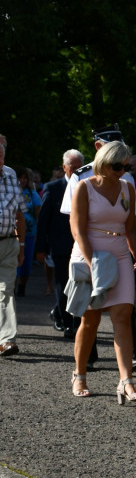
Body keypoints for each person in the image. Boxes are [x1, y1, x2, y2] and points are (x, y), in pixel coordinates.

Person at [61, 124, 136, 372]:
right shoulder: (81, 180)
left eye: (126, 166)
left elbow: (131, 225)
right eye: (117, 166)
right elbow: (76, 226)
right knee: (90, 320)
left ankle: (126, 381)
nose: (122, 171)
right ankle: (80, 372)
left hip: (119, 251)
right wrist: (92, 261)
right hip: (91, 251)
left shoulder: (127, 184)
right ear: (103, 159)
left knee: (122, 316)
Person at [36, 150, 85, 339]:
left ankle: (72, 318)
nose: (76, 170)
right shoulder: (53, 187)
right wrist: (41, 248)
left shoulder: (89, 185)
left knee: (80, 284)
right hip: (60, 245)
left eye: (80, 167)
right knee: (62, 284)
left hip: (82, 245)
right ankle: (67, 323)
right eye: (73, 167)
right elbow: (44, 220)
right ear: (64, 167)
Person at [0, 142, 26, 357]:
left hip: (9, 242)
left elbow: (20, 214)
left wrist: (22, 245)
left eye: (0, 156)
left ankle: (7, 339)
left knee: (6, 290)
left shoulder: (10, 175)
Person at [14, 167, 41, 297]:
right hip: (12, 234)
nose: (22, 180)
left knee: (26, 263)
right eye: (20, 177)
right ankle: (12, 286)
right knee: (14, 262)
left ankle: (22, 284)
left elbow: (37, 214)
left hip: (30, 234)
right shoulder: (10, 192)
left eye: (25, 178)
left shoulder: (32, 194)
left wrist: (38, 233)